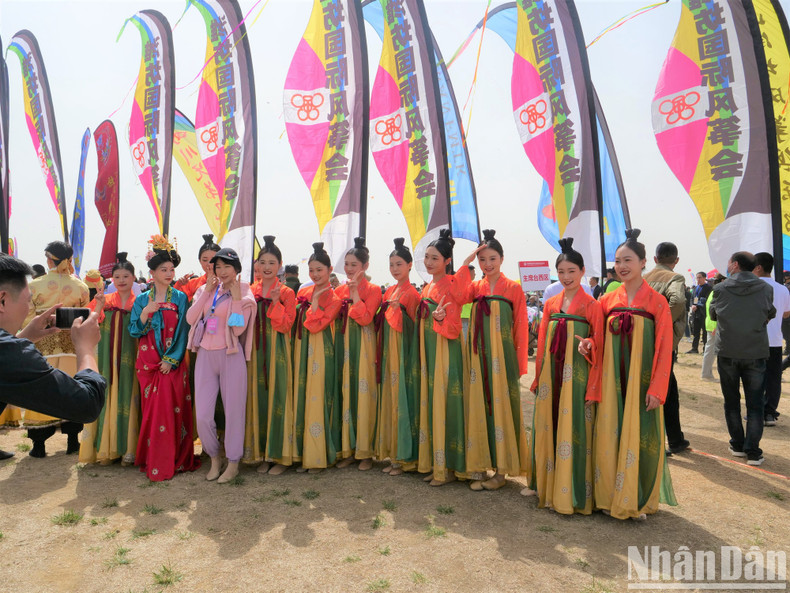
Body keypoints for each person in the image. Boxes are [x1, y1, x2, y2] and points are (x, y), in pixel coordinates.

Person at [594, 229, 677, 520]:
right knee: (608, 434)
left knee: (640, 437)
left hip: (641, 383)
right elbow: (596, 339)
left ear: (643, 262)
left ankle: (636, 499)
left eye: (627, 260)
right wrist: (587, 345)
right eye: (617, 261)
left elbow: (665, 347)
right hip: (611, 382)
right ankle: (606, 496)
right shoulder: (605, 300)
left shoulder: (657, 302)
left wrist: (657, 388)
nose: (621, 266)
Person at [0, 253, 106, 461]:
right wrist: (85, 348)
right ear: (2, 301)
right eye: (28, 301)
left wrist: (24, 338)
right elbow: (87, 403)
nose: (27, 310)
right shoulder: (10, 353)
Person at [526, 238, 602, 513]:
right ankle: (544, 482)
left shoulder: (592, 305)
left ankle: (573, 486)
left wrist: (589, 344)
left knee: (574, 426)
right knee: (549, 422)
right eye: (561, 272)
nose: (566, 277)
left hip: (578, 373)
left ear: (582, 271)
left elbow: (599, 342)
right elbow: (544, 338)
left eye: (572, 271)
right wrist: (538, 376)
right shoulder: (551, 303)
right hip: (551, 372)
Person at [129, 235, 200, 481]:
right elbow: (134, 331)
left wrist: (172, 359)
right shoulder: (140, 300)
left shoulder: (180, 298)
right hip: (148, 364)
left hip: (172, 363)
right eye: (163, 269)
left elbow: (184, 329)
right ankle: (153, 458)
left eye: (171, 269)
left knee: (173, 409)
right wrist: (145, 314)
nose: (169, 273)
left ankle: (176, 458)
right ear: (152, 272)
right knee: (152, 412)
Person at [464, 229, 530, 492]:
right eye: (482, 260)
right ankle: (480, 464)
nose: (487, 264)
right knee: (480, 407)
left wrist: (518, 364)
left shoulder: (513, 288)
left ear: (502, 259)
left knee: (502, 410)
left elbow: (521, 326)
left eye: (492, 258)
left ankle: (502, 471)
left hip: (502, 361)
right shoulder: (475, 287)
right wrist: (467, 260)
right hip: (478, 357)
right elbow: (456, 295)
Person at [187, 248, 257, 483]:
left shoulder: (245, 292)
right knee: (204, 415)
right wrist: (206, 292)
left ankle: (234, 462)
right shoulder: (206, 290)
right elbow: (190, 318)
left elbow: (238, 330)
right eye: (218, 266)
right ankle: (215, 457)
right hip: (205, 355)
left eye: (227, 266)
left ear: (236, 269)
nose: (222, 271)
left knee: (234, 411)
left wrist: (236, 300)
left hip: (231, 356)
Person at [416, 229, 475, 486]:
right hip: (429, 347)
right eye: (427, 258)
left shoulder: (452, 283)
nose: (429, 263)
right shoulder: (429, 285)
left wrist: (440, 319)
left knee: (447, 404)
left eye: (435, 259)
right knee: (433, 402)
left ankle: (450, 466)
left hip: (444, 347)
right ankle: (437, 462)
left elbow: (453, 323)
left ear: (447, 261)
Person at [22, 241, 90, 457]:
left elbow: (27, 318)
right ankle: (72, 441)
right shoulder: (81, 286)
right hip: (71, 345)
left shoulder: (34, 286)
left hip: (43, 345)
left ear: (49, 258)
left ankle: (39, 445)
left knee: (40, 390)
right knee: (72, 389)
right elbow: (85, 316)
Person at [710, 252, 775, 466]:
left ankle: (737, 444)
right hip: (755, 352)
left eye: (728, 262)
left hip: (728, 351)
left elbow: (713, 314)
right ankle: (753, 451)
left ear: (735, 265)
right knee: (755, 404)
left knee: (731, 402)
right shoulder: (767, 288)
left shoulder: (720, 288)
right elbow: (770, 311)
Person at [79, 253, 141, 465]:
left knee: (128, 395)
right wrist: (97, 306)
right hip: (106, 357)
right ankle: (105, 449)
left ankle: (128, 450)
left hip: (131, 359)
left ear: (134, 278)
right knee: (106, 394)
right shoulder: (105, 300)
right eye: (117, 276)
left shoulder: (139, 302)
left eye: (126, 276)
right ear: (111, 279)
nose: (121, 280)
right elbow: (89, 324)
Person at [247, 236, 296, 475]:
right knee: (257, 398)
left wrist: (275, 302)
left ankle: (279, 455)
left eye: (272, 262)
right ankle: (261, 453)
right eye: (263, 262)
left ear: (280, 265)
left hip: (277, 349)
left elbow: (287, 325)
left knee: (278, 396)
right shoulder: (249, 290)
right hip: (254, 350)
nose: (267, 267)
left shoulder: (286, 292)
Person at [293, 242, 342, 472]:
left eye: (319, 270)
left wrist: (314, 305)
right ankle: (302, 454)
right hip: (301, 347)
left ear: (329, 270)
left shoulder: (334, 298)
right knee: (302, 396)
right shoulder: (302, 291)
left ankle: (319, 455)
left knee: (318, 396)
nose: (315, 275)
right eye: (311, 270)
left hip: (322, 348)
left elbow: (317, 326)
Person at [335, 237, 382, 471]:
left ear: (365, 266)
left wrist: (354, 296)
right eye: (346, 264)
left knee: (363, 394)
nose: (349, 268)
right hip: (343, 344)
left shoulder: (373, 290)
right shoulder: (339, 289)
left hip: (364, 344)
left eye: (354, 264)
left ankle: (365, 452)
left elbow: (366, 318)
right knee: (346, 392)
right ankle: (348, 449)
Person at [374, 238, 420, 476]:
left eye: (399, 263)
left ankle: (406, 458)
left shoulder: (413, 293)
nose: (394, 269)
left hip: (403, 351)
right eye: (391, 264)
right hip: (387, 350)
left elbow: (415, 327)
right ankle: (393, 453)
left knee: (403, 400)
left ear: (410, 265)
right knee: (390, 399)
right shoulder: (389, 290)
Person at [643, 242, 689, 455]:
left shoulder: (643, 278)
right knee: (663, 391)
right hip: (663, 342)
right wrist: (661, 322)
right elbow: (678, 299)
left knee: (667, 391)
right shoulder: (675, 278)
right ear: (676, 260)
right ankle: (661, 442)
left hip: (643, 341)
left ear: (654, 259)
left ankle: (676, 439)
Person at [753, 253, 790, 427]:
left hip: (755, 340)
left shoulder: (753, 287)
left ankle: (756, 412)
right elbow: (786, 313)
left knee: (755, 378)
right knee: (773, 379)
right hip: (775, 340)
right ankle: (769, 413)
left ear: (759, 267)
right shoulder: (783, 289)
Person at [174, 234, 220, 302]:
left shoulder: (228, 281)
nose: (209, 263)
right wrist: (179, 285)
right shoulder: (192, 284)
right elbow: (175, 301)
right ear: (200, 261)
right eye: (205, 260)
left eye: (213, 260)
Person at [700, 274, 725, 381]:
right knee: (710, 350)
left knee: (711, 350)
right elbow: (714, 311)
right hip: (714, 325)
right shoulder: (718, 292)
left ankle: (707, 373)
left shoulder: (714, 291)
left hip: (712, 324)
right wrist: (716, 326)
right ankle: (706, 374)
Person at [687, 271, 712, 354]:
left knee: (705, 332)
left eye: (700, 277)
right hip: (695, 313)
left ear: (705, 278)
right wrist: (692, 305)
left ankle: (705, 349)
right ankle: (694, 348)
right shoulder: (695, 288)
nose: (698, 279)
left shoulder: (708, 288)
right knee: (695, 331)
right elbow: (693, 298)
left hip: (703, 313)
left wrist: (698, 306)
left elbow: (707, 300)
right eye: (697, 277)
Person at [460, 265, 475, 339]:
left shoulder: (473, 284)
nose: (475, 274)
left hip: (469, 318)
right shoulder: (467, 285)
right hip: (465, 318)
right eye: (473, 272)